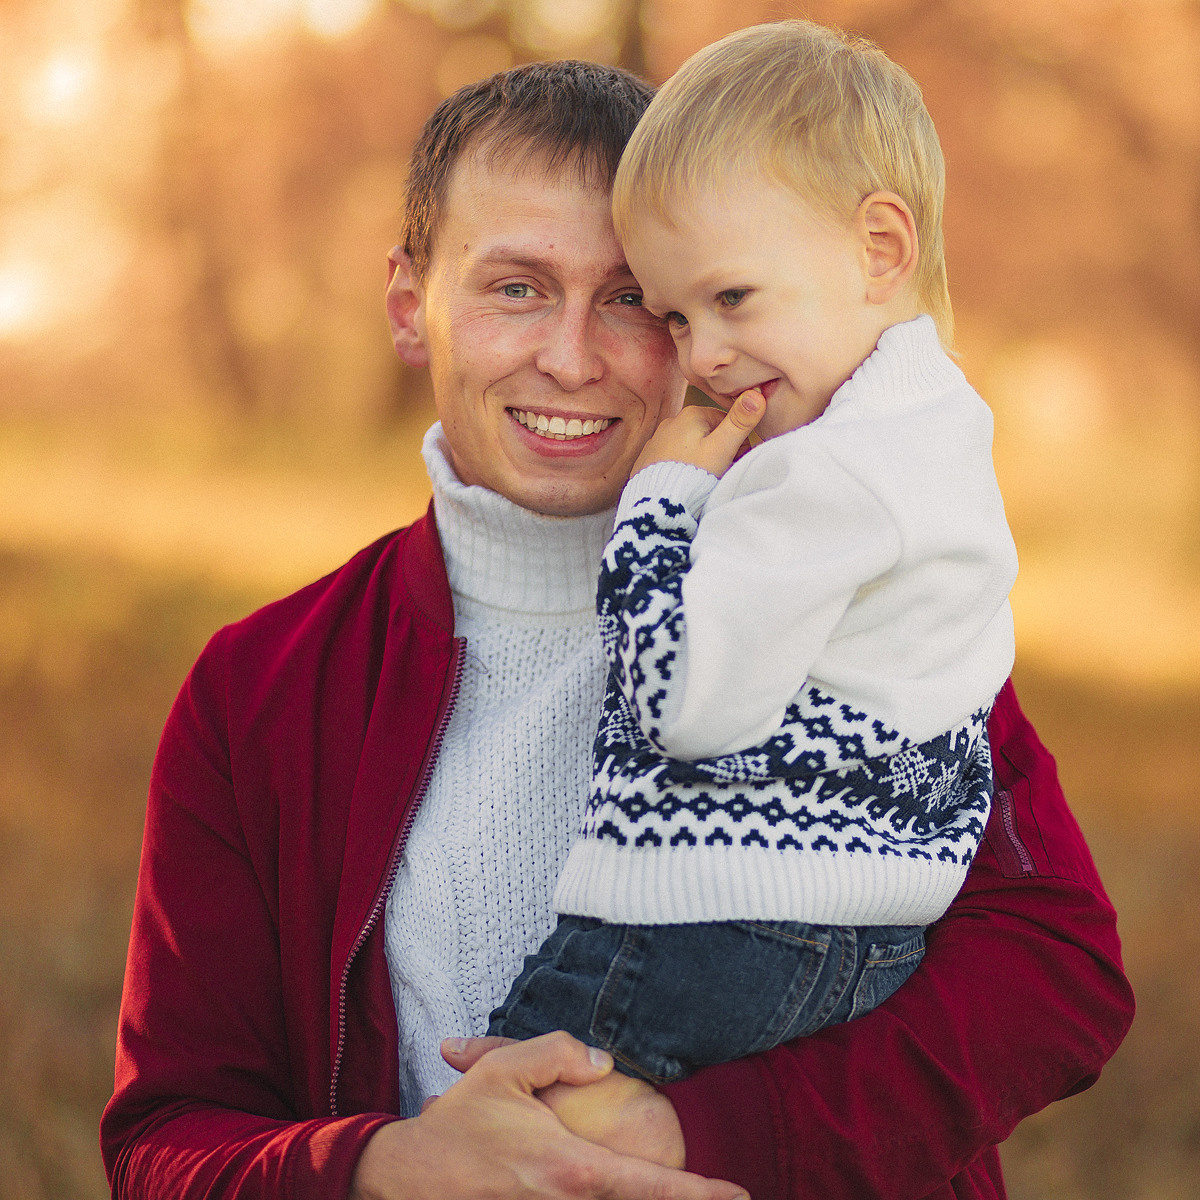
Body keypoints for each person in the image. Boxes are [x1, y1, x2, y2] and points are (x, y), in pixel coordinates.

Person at [100, 56, 1133, 1200]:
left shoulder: (840, 586)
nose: (574, 358)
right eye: (516, 288)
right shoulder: (264, 689)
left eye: (637, 298)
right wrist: (387, 1166)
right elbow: (167, 1137)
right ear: (409, 306)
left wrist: (697, 1135)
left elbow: (1059, 975)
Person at [489, 20, 1018, 1086]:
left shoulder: (820, 476)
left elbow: (683, 703)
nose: (709, 359)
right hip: (868, 930)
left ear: (882, 248)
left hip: (712, 919)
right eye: (677, 317)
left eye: (732, 299)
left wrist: (661, 500)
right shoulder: (939, 432)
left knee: (490, 1129)